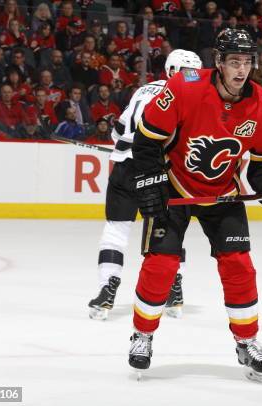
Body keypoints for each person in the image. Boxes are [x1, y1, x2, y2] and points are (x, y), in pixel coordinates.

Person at [127, 29, 262, 384]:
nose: (241, 69)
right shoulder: (185, 85)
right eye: (234, 61)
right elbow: (147, 140)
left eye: (247, 62)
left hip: (222, 194)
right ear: (218, 62)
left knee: (240, 267)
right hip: (176, 188)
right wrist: (150, 180)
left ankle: (246, 342)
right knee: (162, 265)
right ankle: (143, 334)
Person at [87, 49, 203, 321]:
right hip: (158, 172)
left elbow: (118, 132)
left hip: (125, 168)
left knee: (115, 231)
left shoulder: (142, 90)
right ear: (175, 71)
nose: (194, 78)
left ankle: (106, 291)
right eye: (190, 73)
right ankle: (174, 291)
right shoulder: (188, 97)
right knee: (169, 233)